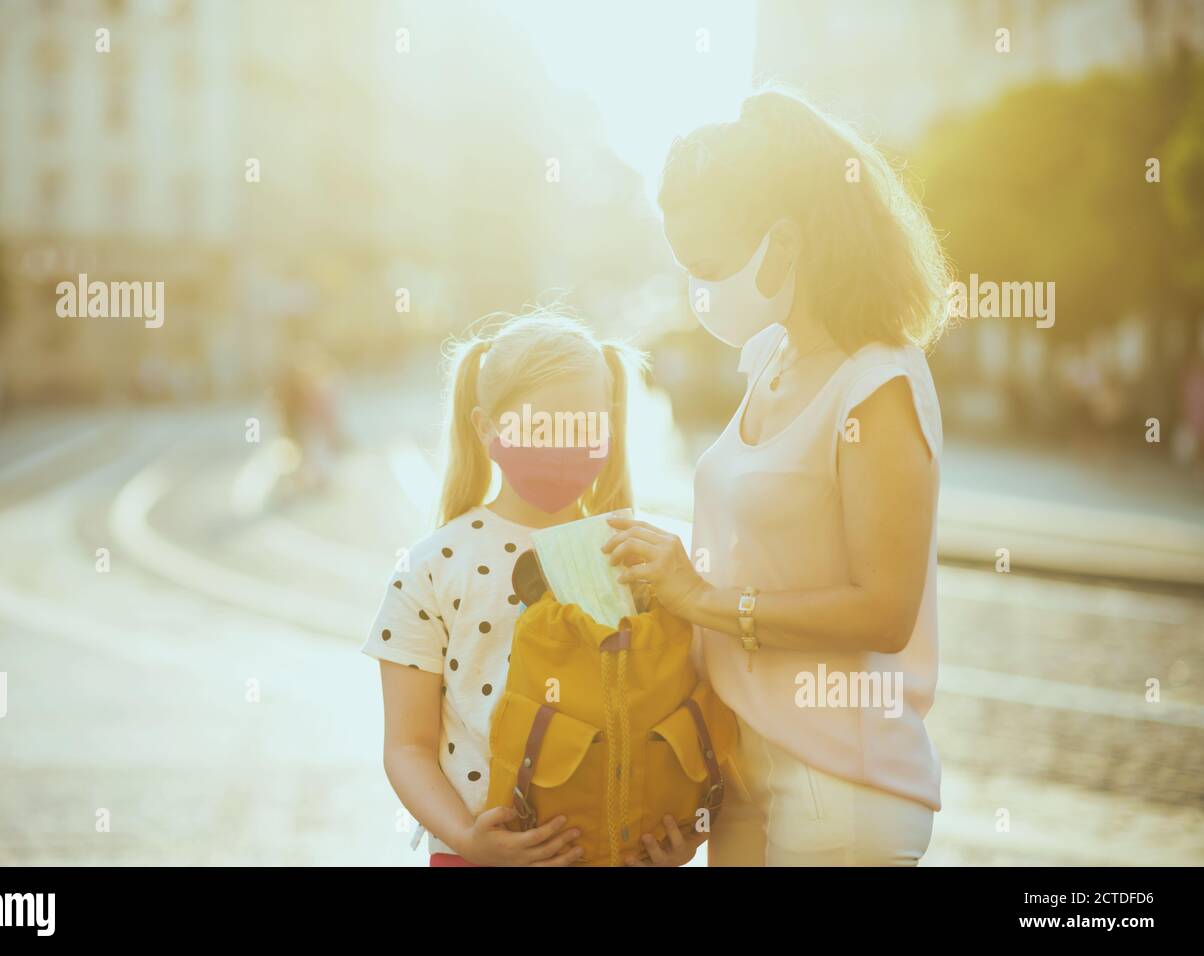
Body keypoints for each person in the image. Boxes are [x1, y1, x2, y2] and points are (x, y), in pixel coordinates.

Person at [604, 86, 951, 866]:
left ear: (785, 242)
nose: (698, 291)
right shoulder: (769, 358)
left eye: (710, 266)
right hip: (741, 770)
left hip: (839, 788)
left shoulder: (879, 383)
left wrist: (701, 597)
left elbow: (885, 610)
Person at [363, 309, 639, 866]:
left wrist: (678, 829)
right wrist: (468, 839)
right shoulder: (432, 567)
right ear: (486, 427)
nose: (563, 445)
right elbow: (406, 746)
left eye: (584, 426)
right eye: (540, 427)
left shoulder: (636, 554)